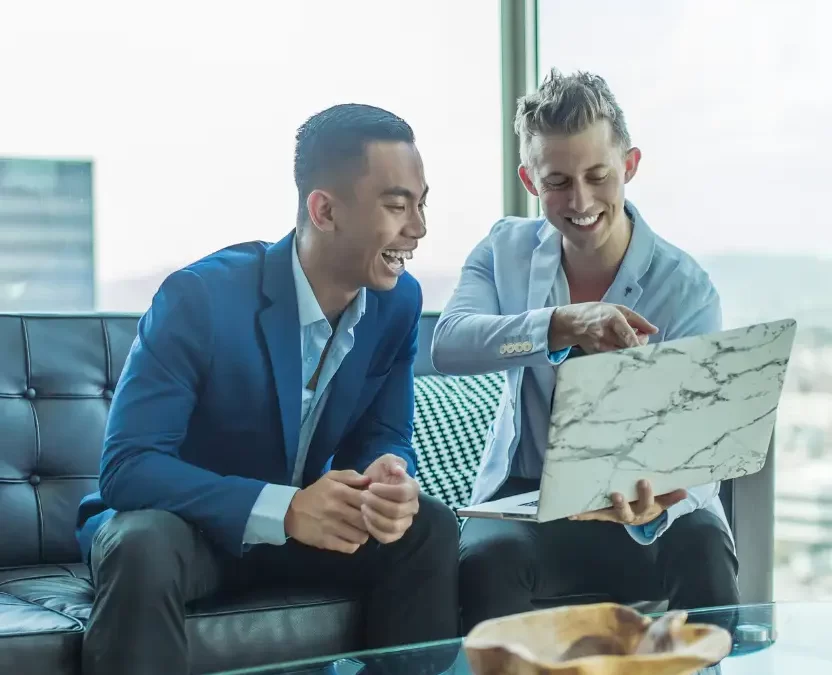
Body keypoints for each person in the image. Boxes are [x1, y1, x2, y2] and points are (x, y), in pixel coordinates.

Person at [76, 103, 459, 675]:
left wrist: (388, 477)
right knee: (143, 545)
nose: (419, 228)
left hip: (303, 531)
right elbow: (128, 468)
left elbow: (385, 434)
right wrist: (285, 510)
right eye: (397, 205)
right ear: (324, 210)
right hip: (189, 531)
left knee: (426, 524)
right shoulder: (199, 299)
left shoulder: (397, 302)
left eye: (422, 202)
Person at [431, 68, 740, 633]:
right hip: (528, 500)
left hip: (647, 504)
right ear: (529, 180)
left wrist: (659, 499)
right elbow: (449, 343)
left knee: (703, 545)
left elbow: (701, 446)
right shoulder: (503, 251)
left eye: (598, 175)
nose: (581, 200)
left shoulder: (686, 287)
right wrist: (560, 324)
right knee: (485, 561)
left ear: (630, 165)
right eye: (558, 182)